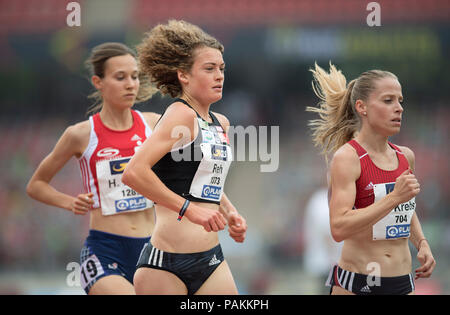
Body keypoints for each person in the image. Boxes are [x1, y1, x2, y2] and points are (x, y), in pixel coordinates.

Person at [122, 20, 247, 295]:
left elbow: (206, 181)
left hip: (211, 260)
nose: (219, 76)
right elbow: (133, 173)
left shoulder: (220, 123)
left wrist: (230, 211)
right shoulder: (181, 115)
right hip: (165, 266)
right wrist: (188, 209)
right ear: (184, 76)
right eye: (209, 69)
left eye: (222, 69)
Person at [26, 42, 160, 295]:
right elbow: (35, 185)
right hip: (105, 250)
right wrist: (69, 202)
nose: (130, 84)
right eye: (120, 77)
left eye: (134, 76)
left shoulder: (153, 125)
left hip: (153, 250)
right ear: (98, 82)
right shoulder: (80, 134)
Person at [306, 63, 436, 295]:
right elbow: (338, 227)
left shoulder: (406, 156)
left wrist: (422, 242)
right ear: (362, 107)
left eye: (400, 101)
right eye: (388, 101)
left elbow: (405, 208)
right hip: (358, 283)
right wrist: (394, 197)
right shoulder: (347, 158)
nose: (399, 108)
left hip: (402, 283)